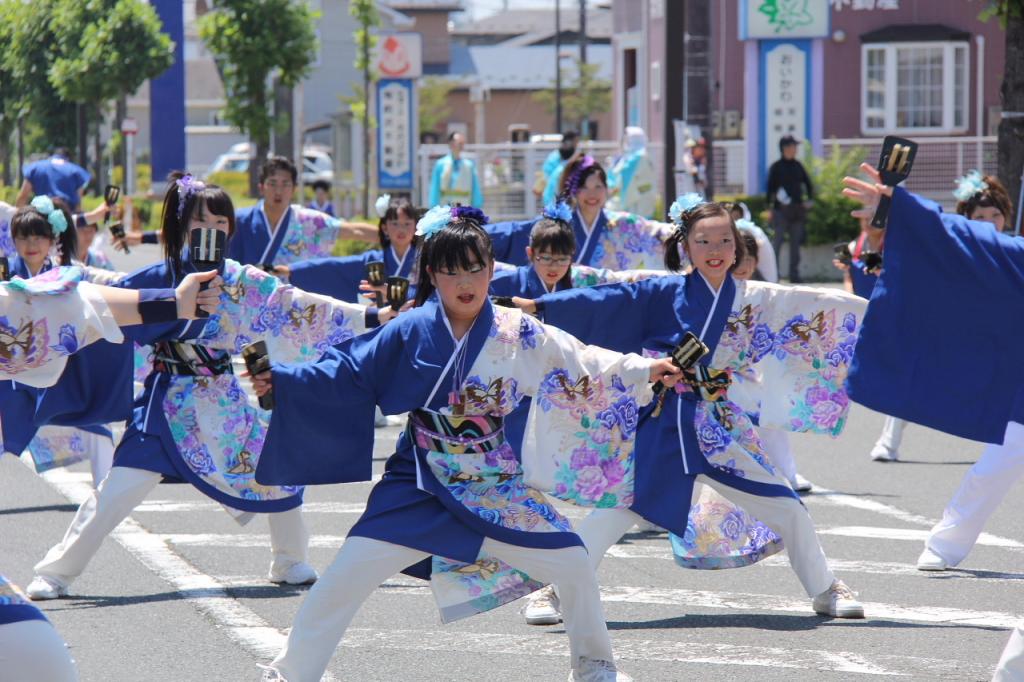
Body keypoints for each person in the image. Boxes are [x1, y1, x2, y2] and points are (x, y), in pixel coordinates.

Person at [251, 204, 683, 681]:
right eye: (452, 270)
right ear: (433, 273)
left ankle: (594, 666)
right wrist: (283, 382)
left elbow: (578, 359)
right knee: (346, 575)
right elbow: (348, 368)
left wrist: (644, 369)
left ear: (492, 269)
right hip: (419, 479)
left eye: (476, 268)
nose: (466, 281)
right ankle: (292, 672)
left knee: (573, 560)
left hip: (492, 478)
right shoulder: (412, 327)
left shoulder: (517, 332)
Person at [23, 173, 380, 602]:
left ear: (231, 228)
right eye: (199, 222)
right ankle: (58, 572)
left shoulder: (243, 280)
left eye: (219, 222)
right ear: (180, 227)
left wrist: (370, 318)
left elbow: (296, 305)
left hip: (223, 399)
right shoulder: (161, 275)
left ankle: (288, 559)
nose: (210, 230)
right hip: (167, 402)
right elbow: (101, 303)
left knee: (278, 471)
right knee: (117, 490)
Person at [515, 193, 866, 626]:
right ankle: (551, 591)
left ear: (737, 246)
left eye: (724, 241)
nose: (715, 251)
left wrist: (879, 316)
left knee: (786, 505)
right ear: (686, 247)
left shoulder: (755, 298)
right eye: (704, 242)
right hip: (666, 422)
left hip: (720, 425)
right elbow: (610, 299)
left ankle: (826, 588)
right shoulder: (664, 292)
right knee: (615, 512)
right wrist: (543, 307)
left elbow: (815, 307)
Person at [841, 163, 1024, 578]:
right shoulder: (1013, 256)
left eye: (996, 214)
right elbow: (961, 238)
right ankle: (946, 543)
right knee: (999, 462)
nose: (990, 221)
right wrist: (900, 208)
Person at [486, 155, 675, 271]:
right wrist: (475, 233)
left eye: (598, 187)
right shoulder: (557, 226)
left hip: (608, 307)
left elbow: (657, 233)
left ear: (607, 189)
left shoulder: (625, 224)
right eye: (584, 187)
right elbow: (515, 233)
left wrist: (691, 229)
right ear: (574, 192)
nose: (592, 194)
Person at [227, 156, 377, 267]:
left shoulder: (309, 221)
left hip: (295, 303)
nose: (278, 191)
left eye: (285, 184)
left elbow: (354, 230)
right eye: (272, 183)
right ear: (261, 187)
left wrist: (391, 237)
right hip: (251, 303)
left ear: (294, 189)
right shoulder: (240, 220)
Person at [284, 194, 420, 305]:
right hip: (381, 328)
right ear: (385, 228)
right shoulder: (371, 262)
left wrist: (395, 294)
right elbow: (333, 268)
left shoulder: (424, 261)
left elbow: (433, 295)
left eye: (407, 224)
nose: (401, 229)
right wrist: (291, 270)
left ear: (416, 227)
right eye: (395, 223)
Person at [767, 135, 814, 283]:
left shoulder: (798, 166)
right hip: (780, 211)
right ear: (785, 148)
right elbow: (770, 189)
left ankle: (794, 274)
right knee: (777, 242)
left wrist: (809, 201)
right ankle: (774, 274)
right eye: (793, 146)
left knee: (795, 245)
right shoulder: (776, 167)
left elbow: (809, 185)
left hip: (797, 211)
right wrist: (769, 208)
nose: (795, 149)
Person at [16, 148, 91, 212]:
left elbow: (23, 195)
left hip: (41, 215)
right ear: (68, 159)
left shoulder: (35, 167)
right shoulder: (76, 171)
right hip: (65, 217)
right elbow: (78, 203)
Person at [606, 126, 658, 219]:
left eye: (627, 138)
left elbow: (621, 178)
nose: (625, 142)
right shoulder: (637, 155)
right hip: (642, 199)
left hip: (635, 201)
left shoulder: (637, 157)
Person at [428, 132, 484, 209]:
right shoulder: (441, 164)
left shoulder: (469, 165)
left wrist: (476, 206)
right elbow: (435, 187)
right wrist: (434, 207)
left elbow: (475, 188)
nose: (461, 145)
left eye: (463, 142)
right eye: (459, 142)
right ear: (451, 144)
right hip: (445, 208)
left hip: (464, 208)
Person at [539, 131, 580, 206]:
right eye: (576, 141)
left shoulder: (561, 165)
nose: (577, 144)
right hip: (555, 200)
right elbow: (546, 176)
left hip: (550, 198)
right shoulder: (556, 159)